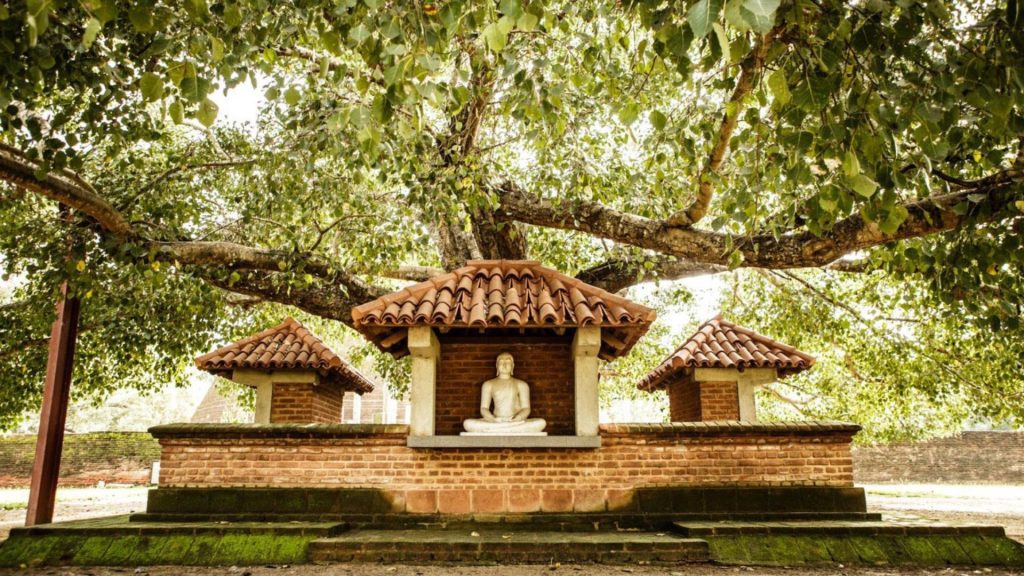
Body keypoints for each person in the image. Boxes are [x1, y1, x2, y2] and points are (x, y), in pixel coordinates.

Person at [462, 352, 547, 434]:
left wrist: (517, 418)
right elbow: (484, 408)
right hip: (495, 421)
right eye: (501, 362)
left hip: (516, 422)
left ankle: (501, 429)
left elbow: (526, 408)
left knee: (541, 422)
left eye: (508, 362)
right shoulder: (488, 384)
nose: (504, 365)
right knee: (467, 423)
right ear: (497, 366)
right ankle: (506, 429)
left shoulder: (522, 384)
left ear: (513, 366)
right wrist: (493, 419)